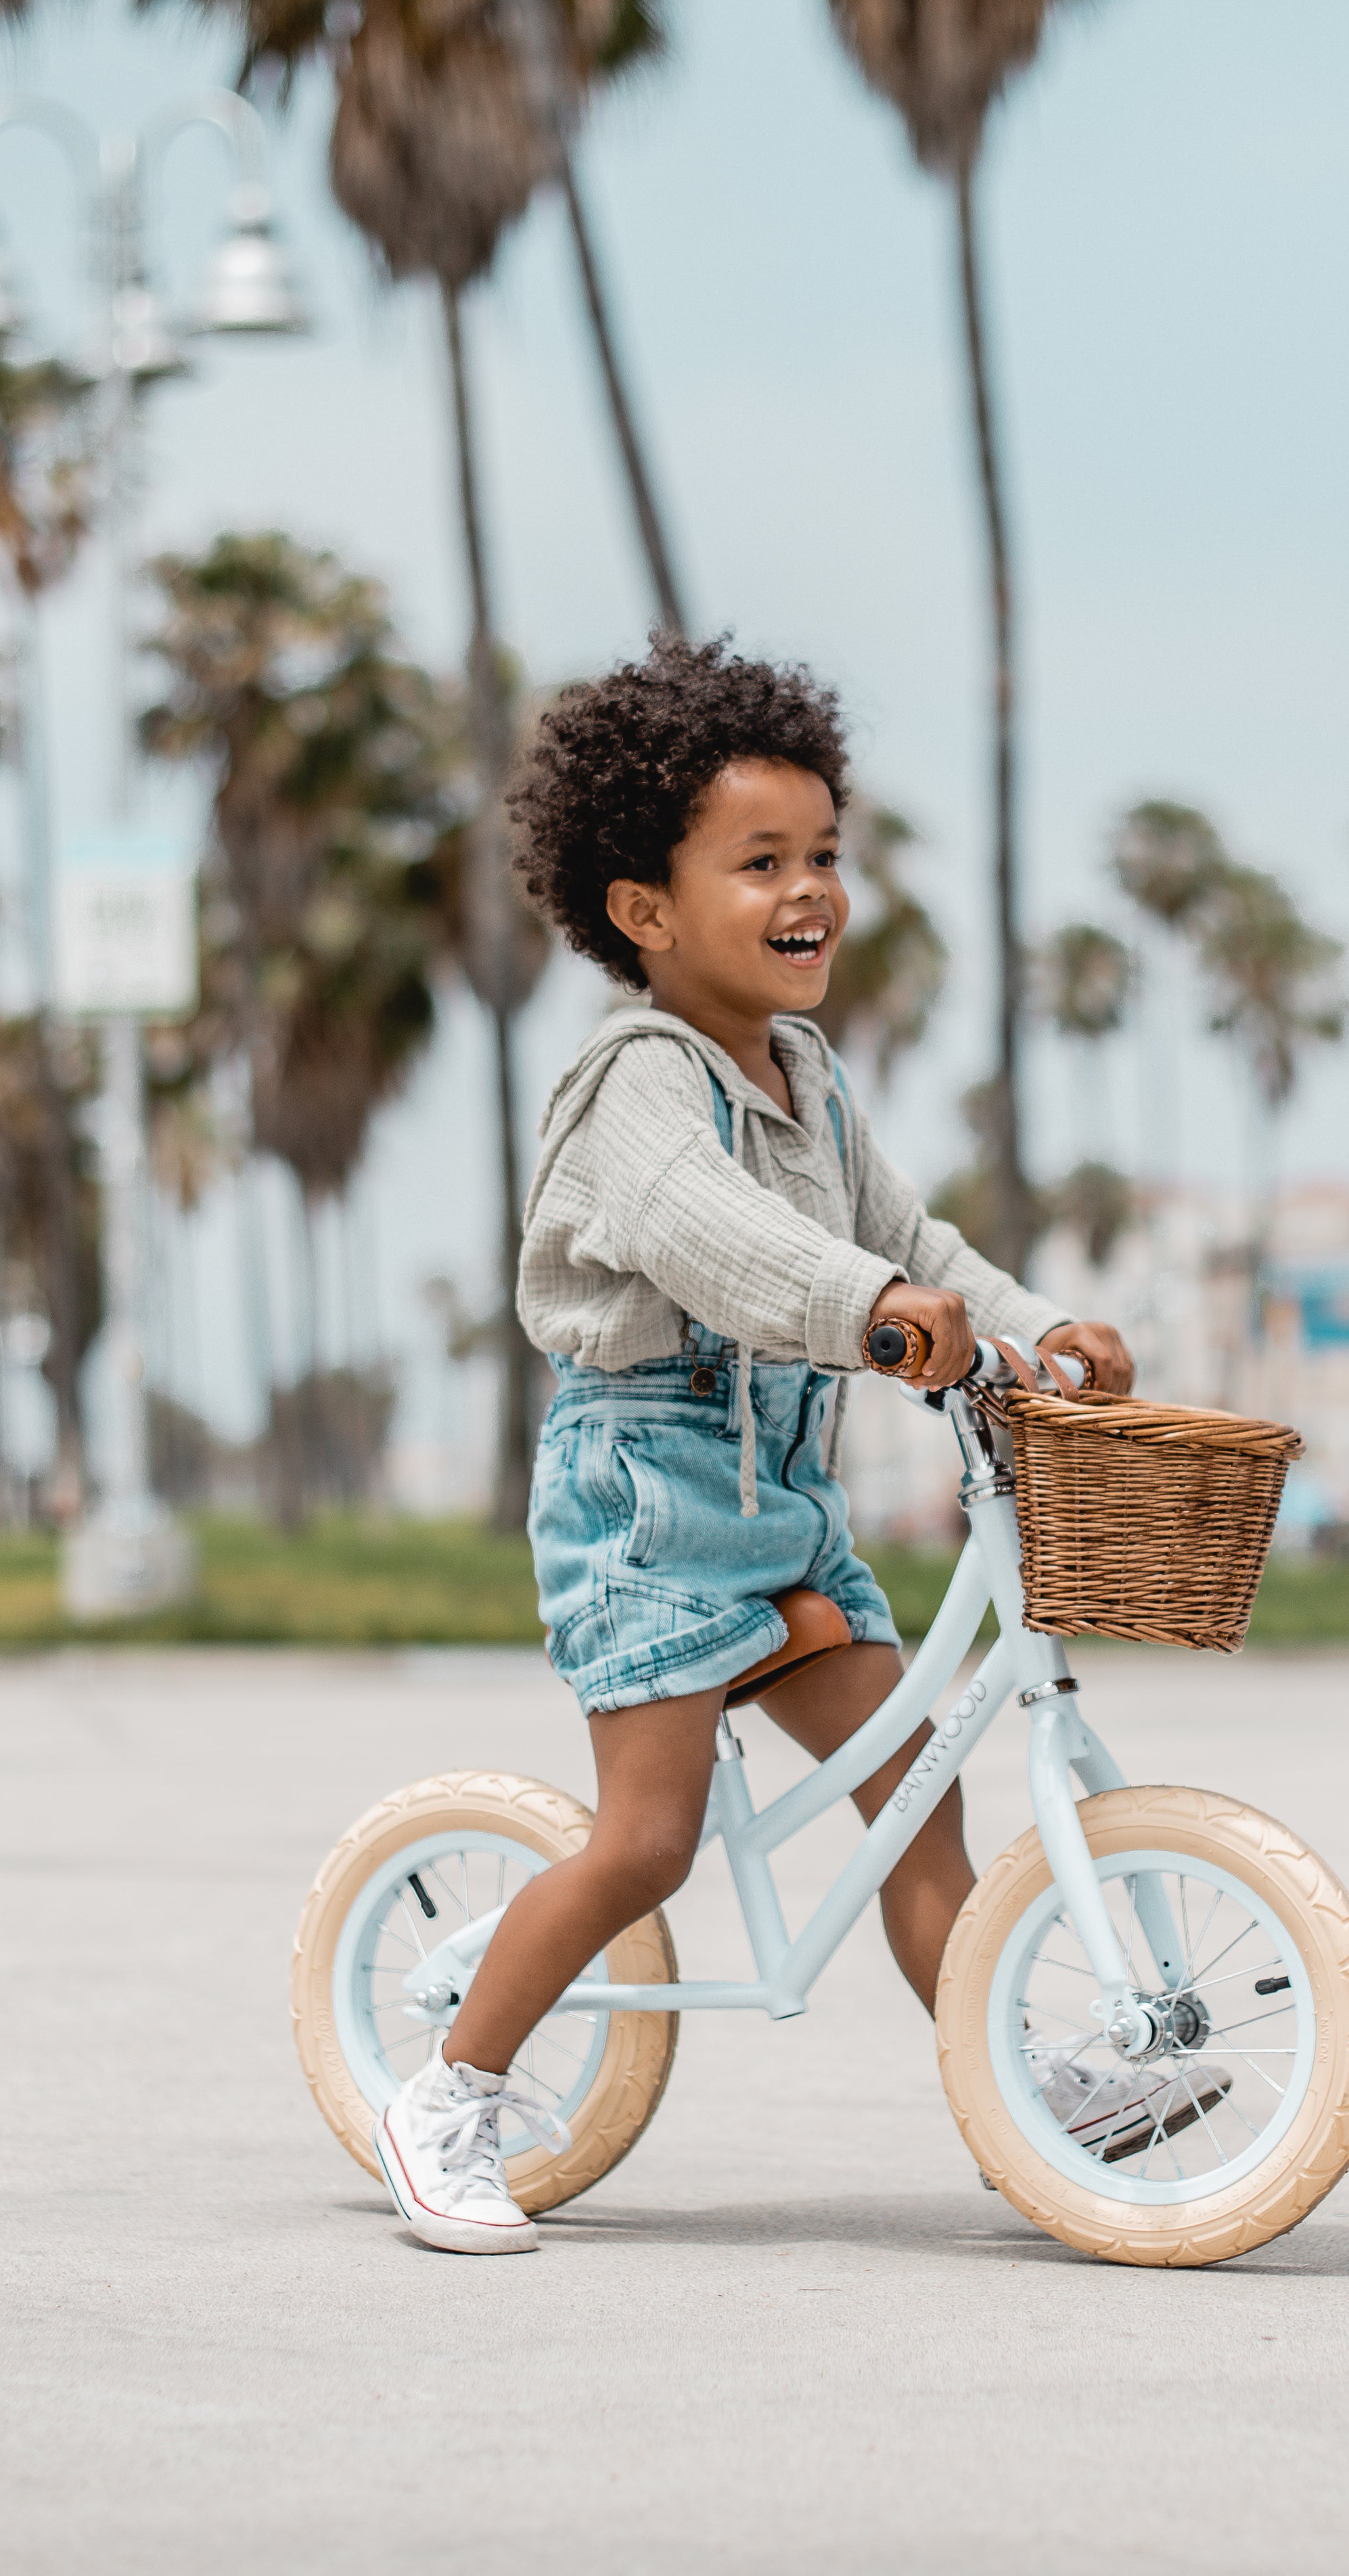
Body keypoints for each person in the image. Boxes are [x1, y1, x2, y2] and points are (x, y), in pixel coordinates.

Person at [367, 635, 1174, 2255]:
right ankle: (447, 2090)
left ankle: (1021, 2080)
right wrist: (868, 1303)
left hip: (781, 1502)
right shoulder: (633, 1082)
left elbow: (911, 1235)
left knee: (913, 1785)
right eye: (760, 863)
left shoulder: (805, 1072)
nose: (810, 890)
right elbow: (711, 1236)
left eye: (823, 856)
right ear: (643, 910)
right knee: (650, 1838)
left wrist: (1038, 1319)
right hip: (650, 1497)